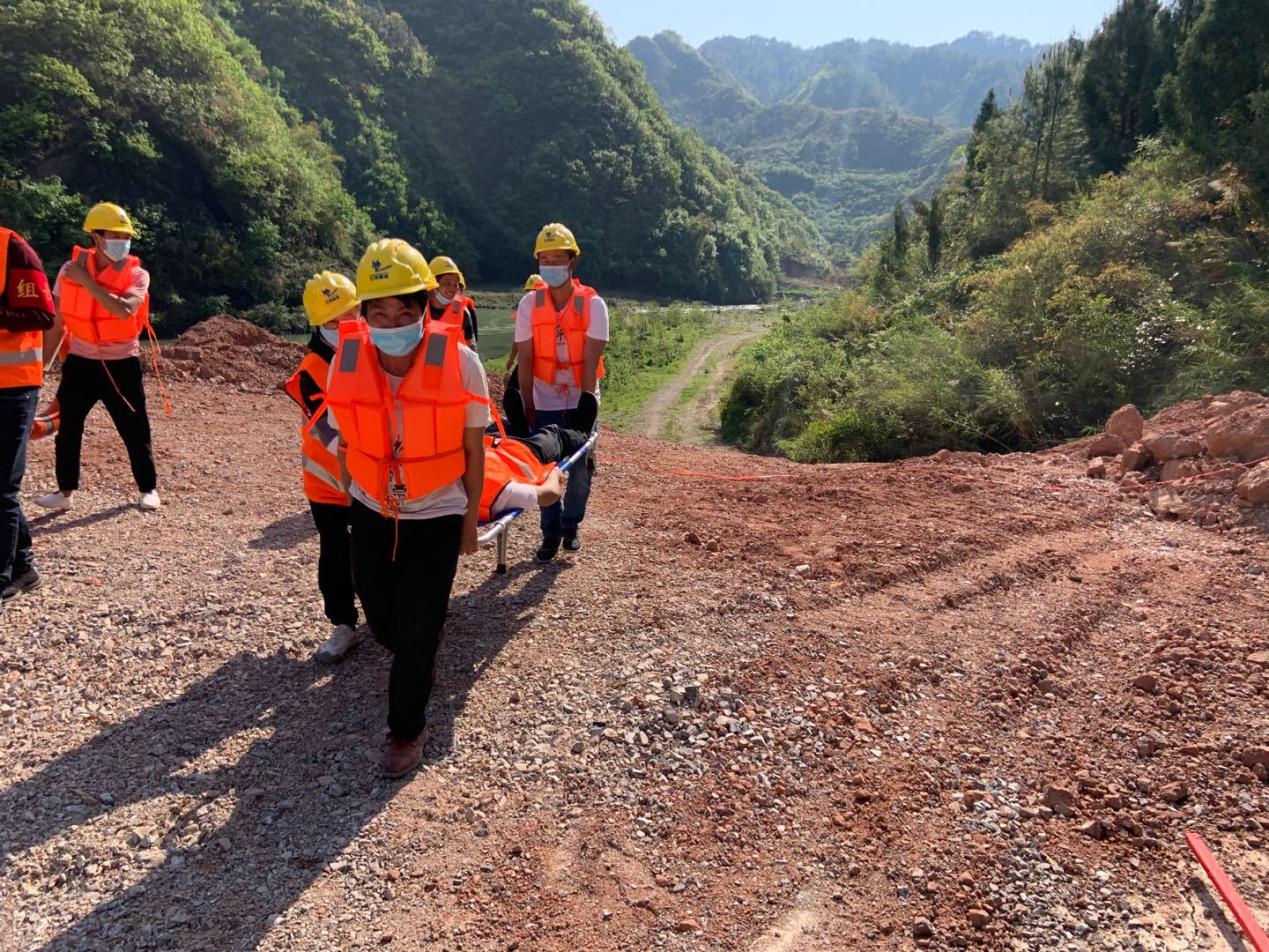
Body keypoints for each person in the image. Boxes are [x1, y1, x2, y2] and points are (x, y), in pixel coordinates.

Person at [325, 239, 488, 779]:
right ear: (363, 315)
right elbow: (345, 441)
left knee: (418, 625)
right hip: (372, 507)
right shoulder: (346, 362)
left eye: (404, 312)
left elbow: (473, 452)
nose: (392, 323)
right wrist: (352, 502)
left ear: (424, 309)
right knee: (380, 618)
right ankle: (416, 647)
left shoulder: (461, 363)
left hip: (437, 511)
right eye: (380, 313)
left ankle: (406, 728)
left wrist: (470, 522)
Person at [35, 202, 159, 513]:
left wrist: (87, 282)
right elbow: (57, 323)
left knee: (135, 428)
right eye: (115, 235)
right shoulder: (69, 270)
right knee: (69, 427)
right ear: (96, 237)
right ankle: (65, 491)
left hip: (122, 362)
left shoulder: (138, 274)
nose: (122, 242)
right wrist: (41, 367)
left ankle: (148, 489)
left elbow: (125, 309)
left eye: (125, 236)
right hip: (81, 360)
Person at [514, 223, 608, 562]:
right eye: (545, 259)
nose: (551, 265)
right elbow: (525, 359)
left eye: (558, 259)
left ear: (571, 262)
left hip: (582, 397)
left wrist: (585, 407)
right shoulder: (529, 304)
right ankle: (550, 532)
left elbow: (590, 362)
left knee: (581, 470)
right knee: (545, 468)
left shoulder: (594, 305)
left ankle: (571, 525)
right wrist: (527, 405)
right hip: (544, 398)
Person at [284, 271, 362, 663]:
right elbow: (334, 435)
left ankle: (394, 614)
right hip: (330, 485)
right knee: (336, 554)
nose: (347, 325)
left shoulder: (374, 353)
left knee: (381, 550)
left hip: (374, 480)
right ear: (318, 325)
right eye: (336, 320)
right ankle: (343, 623)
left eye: (352, 314)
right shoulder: (310, 373)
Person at [0, 225, 56, 613]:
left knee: (2, 487)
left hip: (13, 385)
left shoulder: (12, 248)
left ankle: (3, 577)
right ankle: (23, 567)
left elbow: (41, 314)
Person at [425, 256, 478, 348]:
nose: (453, 288)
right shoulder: (419, 312)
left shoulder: (463, 313)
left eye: (455, 284)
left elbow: (472, 347)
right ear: (433, 284)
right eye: (447, 283)